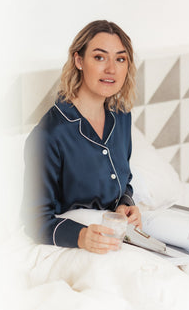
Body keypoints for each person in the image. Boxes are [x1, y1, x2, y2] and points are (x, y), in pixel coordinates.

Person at [22, 20, 142, 254]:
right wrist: (81, 236)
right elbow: (34, 219)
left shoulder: (122, 117)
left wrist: (125, 205)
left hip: (115, 237)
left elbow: (122, 180)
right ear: (79, 61)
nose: (111, 69)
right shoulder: (50, 134)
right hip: (74, 246)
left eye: (120, 59)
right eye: (99, 57)